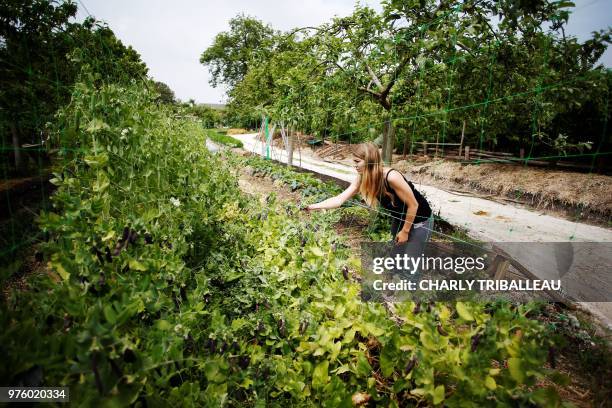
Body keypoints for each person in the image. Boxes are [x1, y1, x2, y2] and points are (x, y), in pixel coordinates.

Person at [303, 142, 434, 247]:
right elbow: (339, 199)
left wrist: (405, 231)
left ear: (370, 161)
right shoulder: (362, 178)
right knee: (398, 254)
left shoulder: (391, 177)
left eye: (357, 161)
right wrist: (313, 206)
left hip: (420, 220)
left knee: (411, 263)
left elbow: (413, 205)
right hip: (399, 218)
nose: (354, 165)